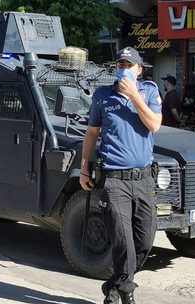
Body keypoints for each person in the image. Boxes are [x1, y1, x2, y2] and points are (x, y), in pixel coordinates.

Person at [80, 47, 162, 304]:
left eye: (129, 64)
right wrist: (84, 167)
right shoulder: (103, 95)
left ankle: (115, 286)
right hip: (114, 179)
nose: (124, 68)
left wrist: (134, 96)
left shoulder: (149, 91)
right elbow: (92, 133)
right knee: (122, 238)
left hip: (144, 178)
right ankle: (126, 293)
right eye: (120, 64)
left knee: (145, 240)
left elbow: (154, 125)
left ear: (139, 69)